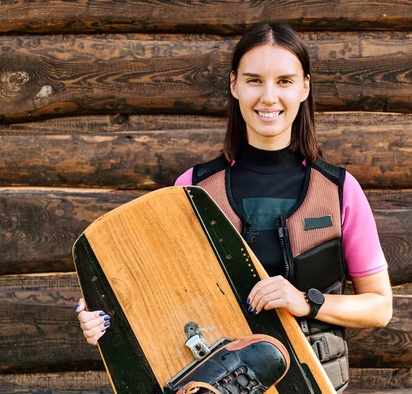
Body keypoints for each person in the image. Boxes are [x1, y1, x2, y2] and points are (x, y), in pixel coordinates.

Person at [76, 23, 392, 393]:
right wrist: (102, 316)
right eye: (254, 80)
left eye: (285, 81)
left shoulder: (339, 190)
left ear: (305, 87)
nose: (269, 97)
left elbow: (379, 307)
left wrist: (305, 302)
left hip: (310, 384)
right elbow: (154, 291)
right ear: (234, 85)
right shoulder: (192, 190)